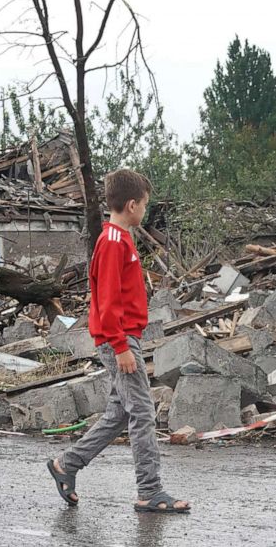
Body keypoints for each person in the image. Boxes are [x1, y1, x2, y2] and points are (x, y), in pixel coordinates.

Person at [47, 169, 191, 513]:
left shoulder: (119, 239)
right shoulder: (113, 242)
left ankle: (67, 464)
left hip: (122, 337)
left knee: (119, 413)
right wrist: (121, 345)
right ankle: (150, 490)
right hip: (119, 340)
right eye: (144, 204)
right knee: (142, 412)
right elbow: (107, 300)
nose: (146, 209)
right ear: (131, 205)